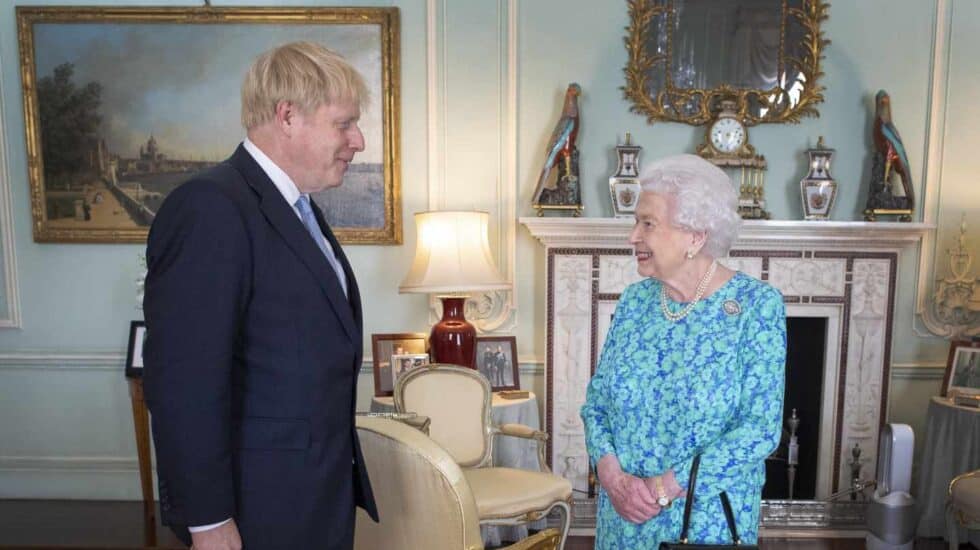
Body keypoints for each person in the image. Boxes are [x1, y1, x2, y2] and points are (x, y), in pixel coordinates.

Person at [143, 41, 376, 550]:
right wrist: (207, 520)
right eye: (344, 123)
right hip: (258, 508)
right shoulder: (210, 207)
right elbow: (184, 381)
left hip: (313, 494)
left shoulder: (299, 207)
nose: (358, 140)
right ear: (287, 116)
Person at [580, 154, 786, 548]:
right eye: (635, 221)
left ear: (696, 235)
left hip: (703, 520)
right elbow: (597, 406)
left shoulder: (756, 307)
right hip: (622, 518)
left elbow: (759, 431)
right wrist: (613, 478)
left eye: (648, 223)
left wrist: (663, 488)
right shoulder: (635, 303)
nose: (632, 236)